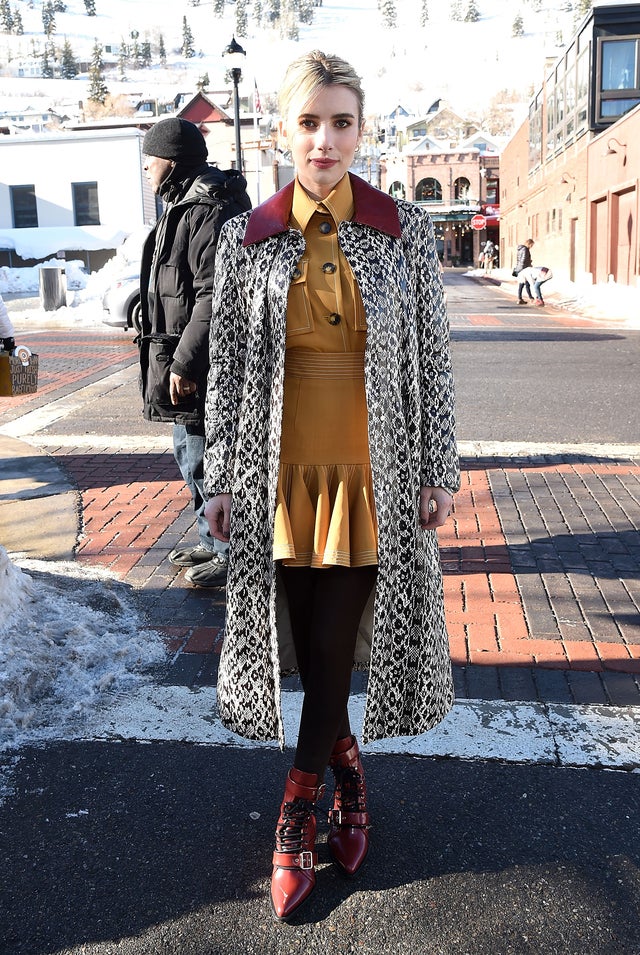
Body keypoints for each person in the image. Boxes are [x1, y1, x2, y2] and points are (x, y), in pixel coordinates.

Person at [203, 51, 459, 922]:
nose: (325, 139)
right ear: (284, 129)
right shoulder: (251, 238)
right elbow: (233, 372)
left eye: (342, 121)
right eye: (309, 121)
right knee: (312, 657)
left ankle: (295, 811)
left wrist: (436, 469)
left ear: (362, 129)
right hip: (279, 475)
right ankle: (349, 774)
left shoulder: (403, 231)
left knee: (336, 650)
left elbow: (431, 362)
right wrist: (220, 477)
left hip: (373, 474)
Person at [138, 118, 251, 588]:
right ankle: (212, 539)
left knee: (207, 455)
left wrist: (185, 361)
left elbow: (214, 294)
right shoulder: (184, 204)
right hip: (178, 354)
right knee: (189, 452)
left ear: (172, 160)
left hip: (202, 362)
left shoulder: (208, 208)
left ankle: (232, 553)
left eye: (151, 161)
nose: (146, 170)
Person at [514, 238, 535, 304]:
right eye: (531, 245)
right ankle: (531, 298)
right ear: (529, 244)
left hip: (520, 268)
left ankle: (520, 298)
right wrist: (528, 265)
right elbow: (524, 259)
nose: (532, 246)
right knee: (527, 284)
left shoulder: (520, 249)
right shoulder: (525, 249)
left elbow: (519, 259)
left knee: (522, 284)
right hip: (524, 268)